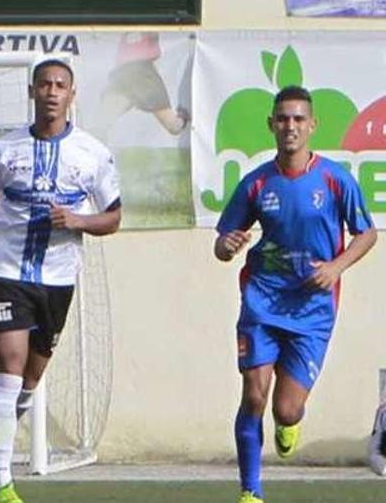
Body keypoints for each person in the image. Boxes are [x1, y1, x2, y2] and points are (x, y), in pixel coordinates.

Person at [0, 59, 121, 503]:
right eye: (45, 85)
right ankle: (2, 481)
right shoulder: (3, 149)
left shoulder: (92, 153)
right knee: (9, 365)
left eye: (60, 86)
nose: (52, 92)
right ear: (32, 92)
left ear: (72, 96)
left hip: (57, 276)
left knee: (31, 377)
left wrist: (78, 219)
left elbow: (113, 217)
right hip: (7, 270)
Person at [214, 85, 376, 503]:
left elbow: (367, 233)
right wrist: (226, 247)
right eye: (283, 118)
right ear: (271, 125)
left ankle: (288, 423)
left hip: (313, 309)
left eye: (298, 119)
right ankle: (251, 491)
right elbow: (222, 244)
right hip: (262, 300)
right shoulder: (255, 183)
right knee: (253, 393)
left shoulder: (336, 180)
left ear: (312, 125)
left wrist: (337, 267)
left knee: (285, 408)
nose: (290, 126)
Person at [94, 32, 188, 141]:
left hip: (136, 72)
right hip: (128, 72)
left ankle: (184, 117)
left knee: (101, 124)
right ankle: (97, 154)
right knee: (100, 124)